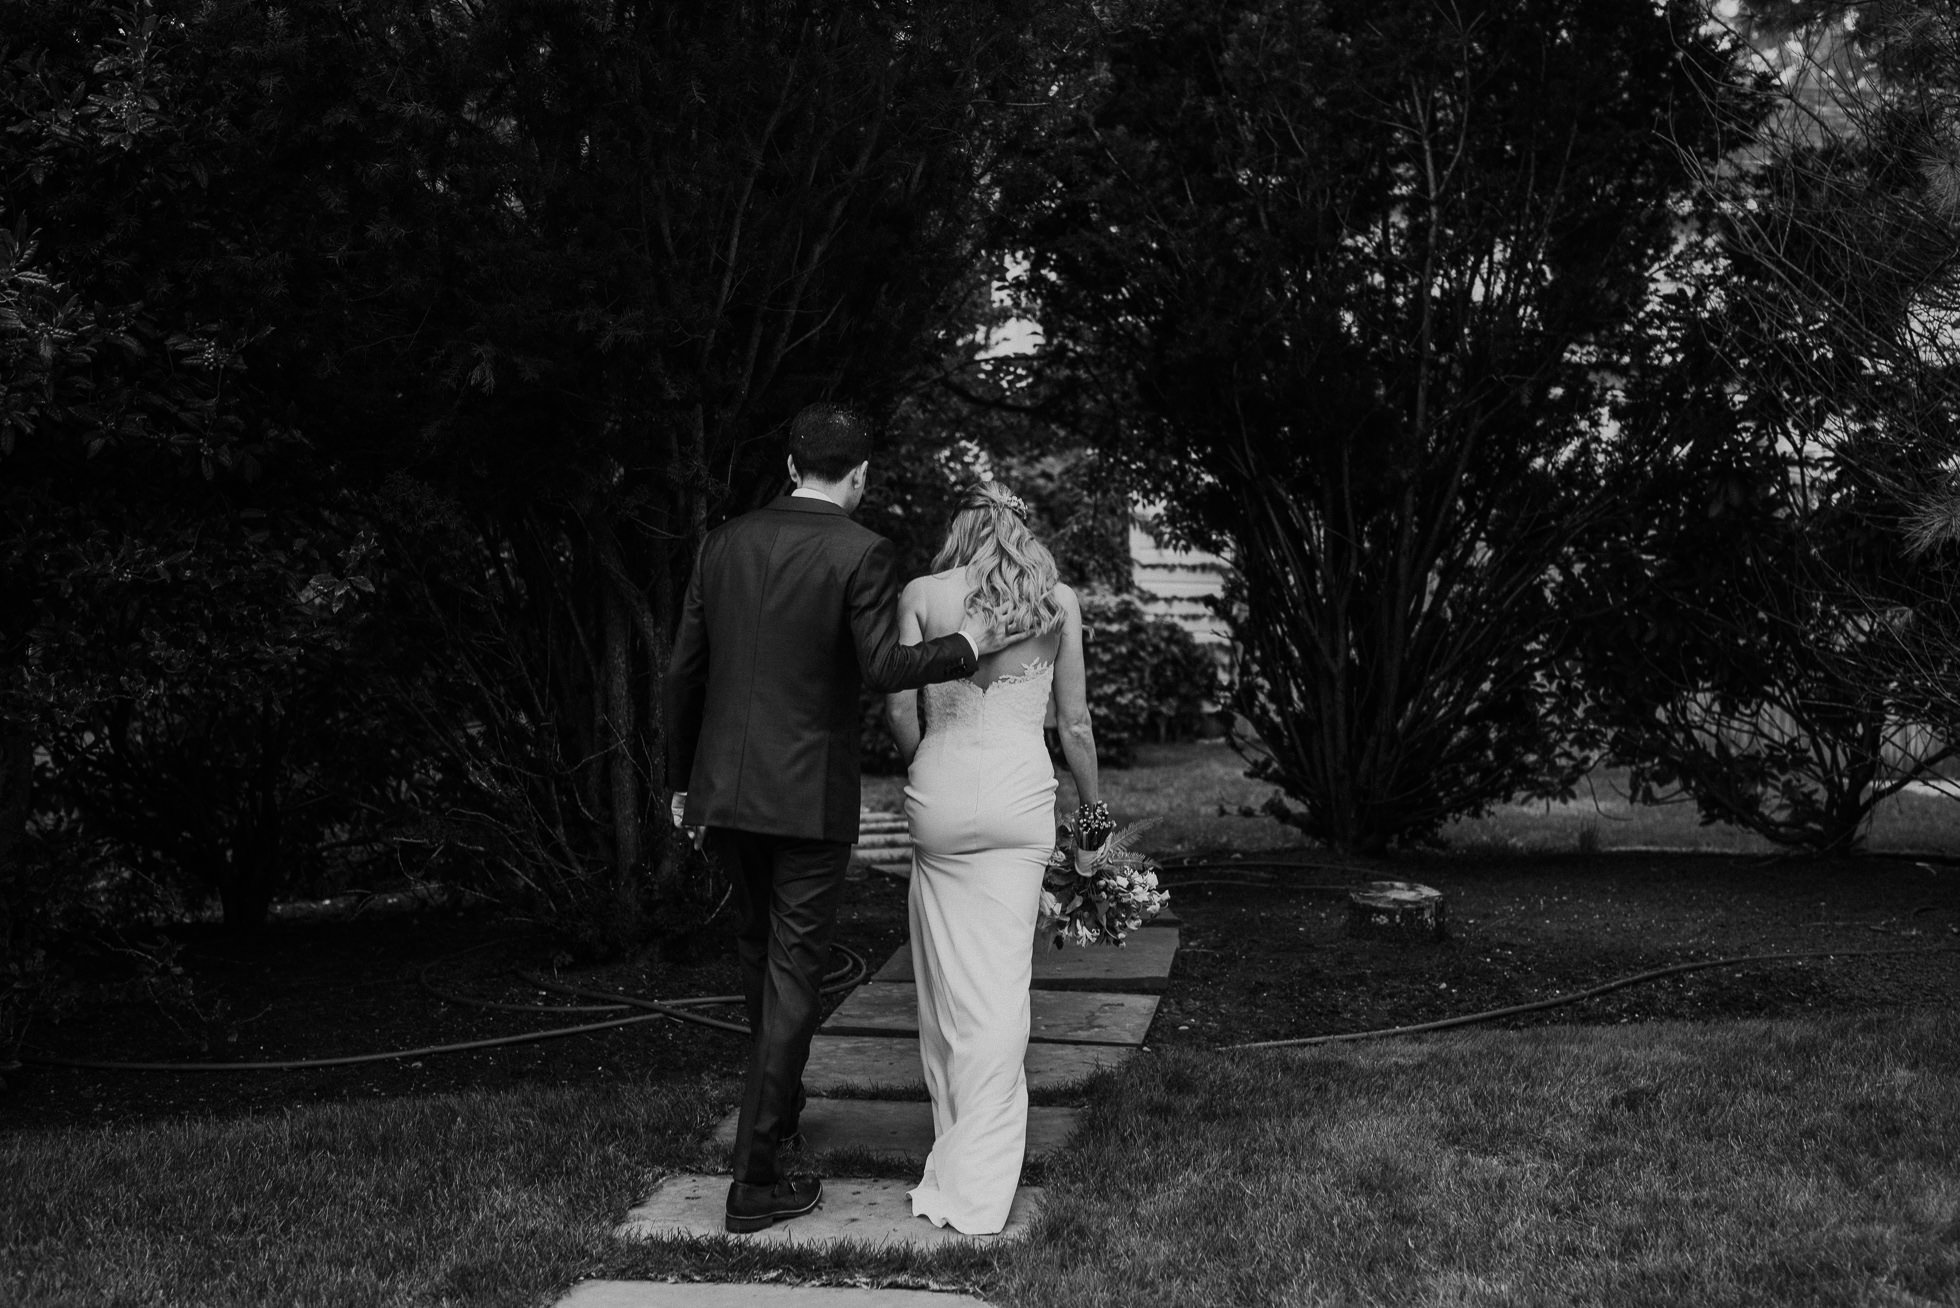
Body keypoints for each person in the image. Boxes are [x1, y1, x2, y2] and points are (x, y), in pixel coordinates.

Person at [664, 403, 1014, 1235]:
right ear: (858, 476)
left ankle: (775, 1118)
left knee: (760, 960)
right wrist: (967, 644)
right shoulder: (861, 551)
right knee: (792, 974)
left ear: (791, 466)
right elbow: (885, 667)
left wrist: (681, 782)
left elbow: (683, 672)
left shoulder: (724, 542)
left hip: (724, 793)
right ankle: (753, 1181)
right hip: (807, 801)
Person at [885, 479, 1106, 1236]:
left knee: (946, 980)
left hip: (940, 797)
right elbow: (1073, 724)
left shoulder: (922, 592)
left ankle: (959, 1143)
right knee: (1002, 982)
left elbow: (894, 704)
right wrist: (1093, 816)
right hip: (1020, 801)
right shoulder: (1058, 601)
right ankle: (981, 1168)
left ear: (961, 525)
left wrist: (929, 767)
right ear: (1019, 528)